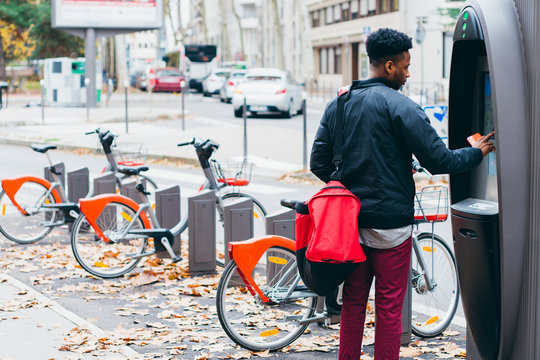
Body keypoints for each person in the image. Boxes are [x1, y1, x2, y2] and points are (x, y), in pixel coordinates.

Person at [310, 28, 494, 360]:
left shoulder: (338, 103)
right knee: (389, 308)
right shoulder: (402, 107)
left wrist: (348, 189)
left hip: (350, 227)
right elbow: (438, 159)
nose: (409, 74)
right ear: (390, 66)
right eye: (406, 67)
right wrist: (476, 153)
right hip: (391, 226)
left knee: (352, 303)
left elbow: (318, 161)